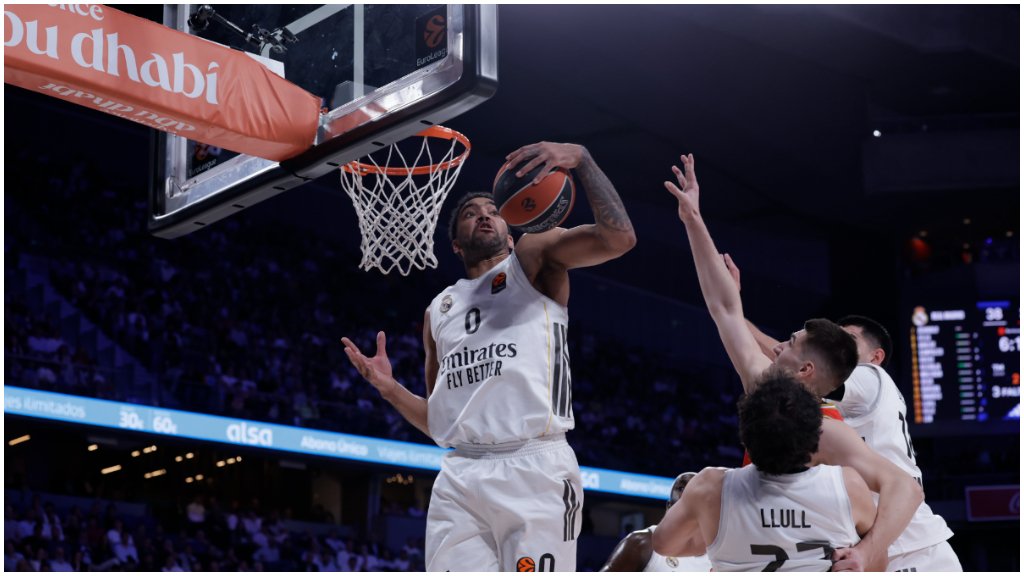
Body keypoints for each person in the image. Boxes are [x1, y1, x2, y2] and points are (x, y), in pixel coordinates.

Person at [342, 141, 636, 571]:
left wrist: (584, 161)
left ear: (511, 229)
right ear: (456, 246)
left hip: (535, 467)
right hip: (461, 474)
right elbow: (443, 425)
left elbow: (620, 239)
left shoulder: (533, 259)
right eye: (470, 213)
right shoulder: (437, 310)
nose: (483, 214)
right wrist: (389, 389)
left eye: (493, 210)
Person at [663, 153, 924, 571]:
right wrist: (693, 219)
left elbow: (907, 490)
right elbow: (724, 309)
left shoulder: (827, 432)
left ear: (806, 372)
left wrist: (869, 551)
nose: (779, 346)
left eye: (790, 342)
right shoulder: (766, 386)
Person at [727, 302, 961, 571]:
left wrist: (734, 316)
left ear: (876, 357)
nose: (836, 344)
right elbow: (794, 363)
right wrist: (730, 313)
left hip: (912, 549)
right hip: (872, 548)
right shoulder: (820, 410)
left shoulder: (870, 376)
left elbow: (799, 365)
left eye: (848, 339)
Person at [653, 377, 876, 571]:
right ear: (816, 439)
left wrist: (722, 541)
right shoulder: (848, 485)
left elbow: (664, 544)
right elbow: (879, 561)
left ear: (745, 440)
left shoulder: (711, 486)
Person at [600, 472, 712, 571]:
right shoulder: (642, 543)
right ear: (669, 507)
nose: (688, 492)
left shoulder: (717, 556)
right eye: (682, 488)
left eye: (694, 488)